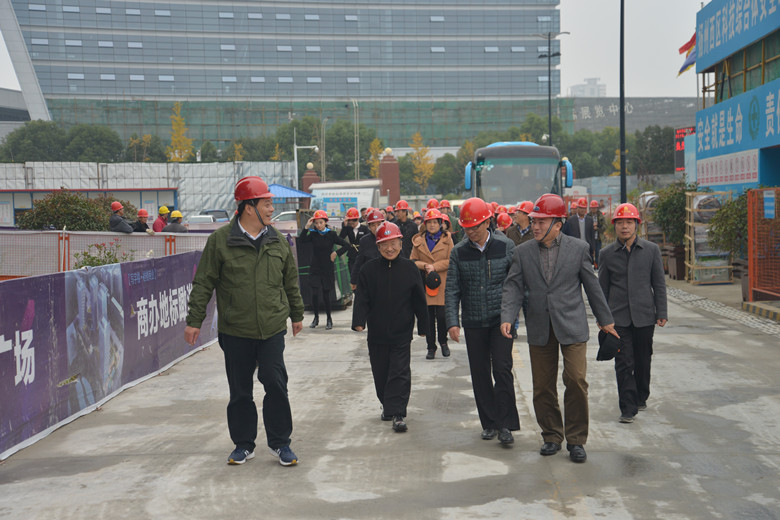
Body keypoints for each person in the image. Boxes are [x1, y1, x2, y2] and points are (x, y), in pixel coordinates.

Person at [184, 176, 304, 467]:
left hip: (271, 328)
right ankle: (243, 444)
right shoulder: (220, 241)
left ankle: (280, 443)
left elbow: (290, 280)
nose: (272, 209)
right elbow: (203, 282)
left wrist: (297, 314)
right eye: (267, 204)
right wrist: (194, 319)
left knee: (276, 384)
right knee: (240, 391)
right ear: (249, 207)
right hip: (236, 329)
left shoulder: (277, 240)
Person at [500, 193, 616, 464]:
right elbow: (513, 286)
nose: (535, 226)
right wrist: (507, 316)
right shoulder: (522, 252)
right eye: (534, 221)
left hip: (572, 324)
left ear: (558, 224)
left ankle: (576, 439)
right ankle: (551, 435)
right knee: (542, 386)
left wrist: (605, 319)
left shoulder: (578, 249)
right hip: (539, 326)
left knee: (576, 380)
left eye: (542, 222)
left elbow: (592, 286)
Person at [444, 197, 519, 446]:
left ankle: (506, 425)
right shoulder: (459, 252)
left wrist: (514, 315)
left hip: (501, 321)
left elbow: (516, 283)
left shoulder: (506, 246)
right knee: (479, 373)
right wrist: (452, 322)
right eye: (466, 228)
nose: (471, 232)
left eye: (475, 227)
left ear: (487, 222)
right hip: (474, 320)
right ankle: (489, 423)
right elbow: (452, 288)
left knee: (502, 369)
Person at [352, 222, 428, 433]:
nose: (390, 248)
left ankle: (398, 413)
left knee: (399, 372)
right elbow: (362, 299)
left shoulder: (410, 269)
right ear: (378, 246)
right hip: (377, 332)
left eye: (393, 243)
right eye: (384, 244)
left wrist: (424, 326)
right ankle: (387, 405)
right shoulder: (368, 270)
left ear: (401, 243)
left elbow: (419, 300)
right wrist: (359, 321)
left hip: (402, 332)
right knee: (381, 372)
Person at [598, 203, 667, 423]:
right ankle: (627, 408)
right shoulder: (606, 254)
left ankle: (641, 395)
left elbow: (659, 283)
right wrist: (602, 317)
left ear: (637, 224)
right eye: (620, 223)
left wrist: (661, 311)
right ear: (615, 226)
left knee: (642, 360)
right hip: (618, 318)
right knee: (623, 362)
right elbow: (602, 289)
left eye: (629, 222)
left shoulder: (651, 250)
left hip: (644, 316)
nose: (625, 227)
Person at [410, 208, 454, 360]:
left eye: (435, 222)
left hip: (442, 282)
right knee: (428, 318)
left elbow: (451, 260)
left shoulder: (447, 240)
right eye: (429, 222)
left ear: (440, 223)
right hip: (425, 282)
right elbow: (413, 260)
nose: (432, 225)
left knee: (442, 317)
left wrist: (435, 266)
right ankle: (430, 347)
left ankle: (443, 342)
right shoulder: (418, 240)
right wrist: (425, 266)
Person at [298, 210, 350, 330]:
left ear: (325, 222)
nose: (318, 225)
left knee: (326, 294)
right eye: (316, 223)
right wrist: (306, 227)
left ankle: (329, 319)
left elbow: (346, 245)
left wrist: (336, 253)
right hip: (315, 268)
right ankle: (316, 318)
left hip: (327, 268)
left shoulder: (331, 234)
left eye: (321, 222)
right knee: (315, 293)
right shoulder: (313, 234)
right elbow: (301, 241)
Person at [350, 209, 385, 290]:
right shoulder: (364, 241)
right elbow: (359, 261)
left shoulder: (390, 238)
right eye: (373, 225)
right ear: (369, 226)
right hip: (371, 279)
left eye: (379, 224)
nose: (376, 228)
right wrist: (354, 280)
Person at [339, 207, 371, 280]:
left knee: (363, 276)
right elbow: (340, 238)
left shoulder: (364, 228)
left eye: (353, 223)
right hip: (352, 255)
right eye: (350, 223)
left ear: (357, 220)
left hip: (362, 254)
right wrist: (344, 226)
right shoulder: (348, 228)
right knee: (353, 275)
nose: (352, 225)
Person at [589, 200, 607, 267]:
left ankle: (598, 266)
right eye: (592, 208)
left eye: (595, 208)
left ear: (597, 208)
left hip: (598, 238)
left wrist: (597, 228)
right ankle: (590, 266)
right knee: (590, 253)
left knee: (598, 253)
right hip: (590, 238)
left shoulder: (601, 216)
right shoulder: (587, 216)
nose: (594, 209)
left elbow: (605, 226)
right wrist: (592, 226)